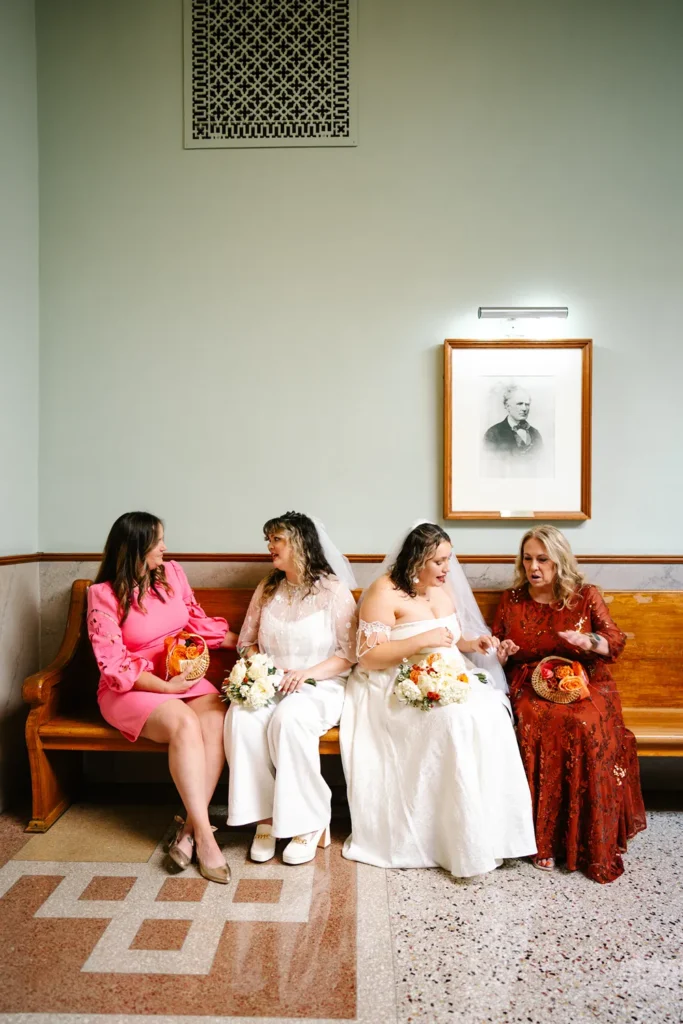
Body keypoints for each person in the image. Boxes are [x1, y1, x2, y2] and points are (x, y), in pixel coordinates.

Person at [340, 521, 536, 878]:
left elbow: (449, 637)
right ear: (416, 560)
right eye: (439, 562)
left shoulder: (441, 591)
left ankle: (493, 834)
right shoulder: (383, 593)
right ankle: (443, 838)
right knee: (454, 720)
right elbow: (368, 656)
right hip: (396, 681)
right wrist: (419, 641)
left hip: (450, 674)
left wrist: (471, 644)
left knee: (492, 711)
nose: (448, 569)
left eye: (448, 559)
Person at [87, 512, 239, 884]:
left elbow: (195, 621)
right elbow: (113, 664)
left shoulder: (172, 574)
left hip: (180, 676)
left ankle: (188, 829)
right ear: (136, 547)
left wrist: (249, 643)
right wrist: (165, 688)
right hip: (132, 687)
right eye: (158, 542)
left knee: (216, 717)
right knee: (183, 724)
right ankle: (206, 838)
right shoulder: (102, 595)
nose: (165, 547)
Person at [492, 524, 647, 882]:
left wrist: (588, 640)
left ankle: (586, 840)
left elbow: (614, 642)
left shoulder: (585, 595)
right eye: (528, 558)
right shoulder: (512, 600)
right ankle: (541, 839)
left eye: (542, 559)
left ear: (559, 560)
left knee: (584, 723)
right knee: (533, 718)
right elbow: (497, 646)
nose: (534, 567)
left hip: (585, 680)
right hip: (530, 680)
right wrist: (502, 652)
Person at [224, 512, 357, 865]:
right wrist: (262, 669)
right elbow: (246, 643)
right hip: (271, 682)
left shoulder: (334, 592)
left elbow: (349, 654)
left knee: (290, 718)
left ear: (299, 542)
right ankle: (265, 820)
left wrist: (307, 674)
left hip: (321, 684)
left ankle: (308, 822)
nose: (270, 546)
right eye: (269, 540)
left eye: (276, 539)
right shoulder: (268, 588)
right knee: (241, 717)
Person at [483, 385, 542, 457]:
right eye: (519, 404)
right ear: (507, 406)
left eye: (527, 404)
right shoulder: (493, 434)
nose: (524, 408)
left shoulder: (535, 433)